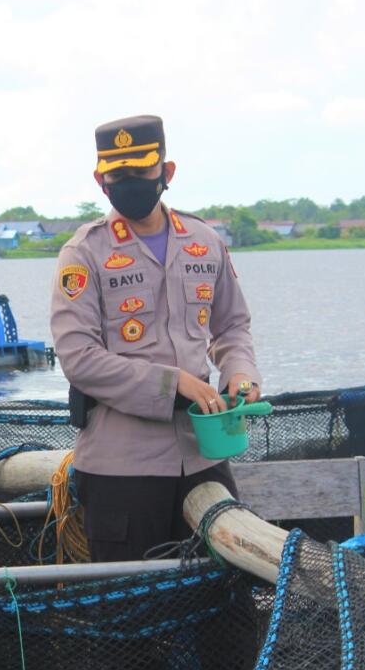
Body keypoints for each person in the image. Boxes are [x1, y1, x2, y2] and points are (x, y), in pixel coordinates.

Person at [49, 115, 263, 563]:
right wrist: (175, 384)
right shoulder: (84, 252)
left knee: (224, 604)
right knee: (131, 617)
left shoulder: (205, 242)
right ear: (100, 180)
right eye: (117, 175)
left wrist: (240, 374)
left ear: (166, 173)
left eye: (141, 171)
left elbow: (232, 327)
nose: (129, 183)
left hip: (205, 458)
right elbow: (78, 358)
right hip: (121, 469)